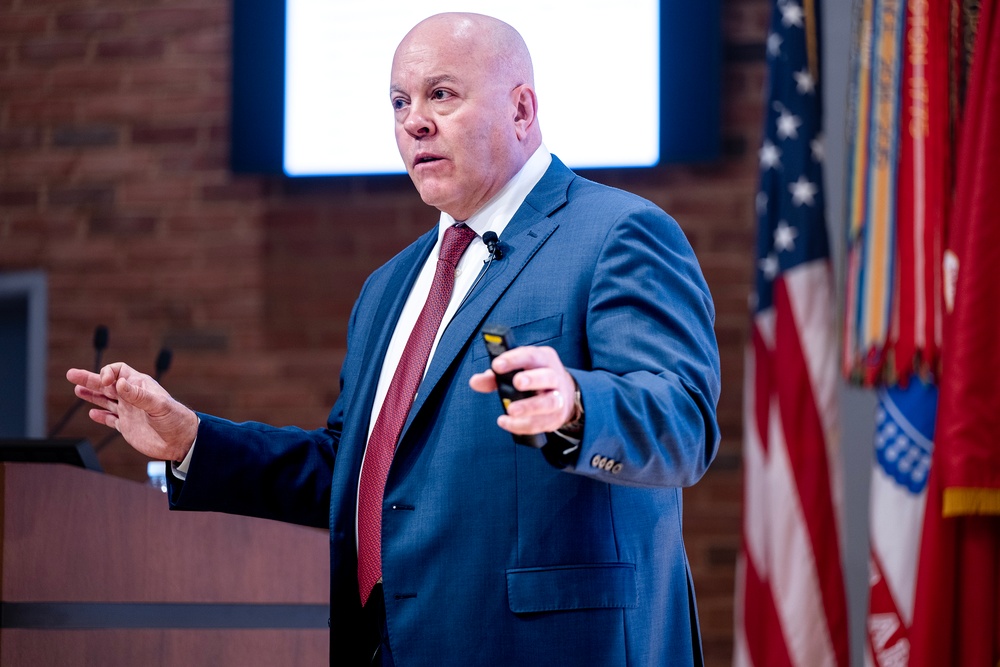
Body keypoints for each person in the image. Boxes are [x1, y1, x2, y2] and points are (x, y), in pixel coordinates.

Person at [67, 12, 720, 666]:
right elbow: (354, 474)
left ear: (522, 109)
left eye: (442, 94)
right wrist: (193, 441)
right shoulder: (388, 287)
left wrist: (576, 406)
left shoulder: (618, 233)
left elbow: (682, 423)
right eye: (400, 102)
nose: (414, 122)